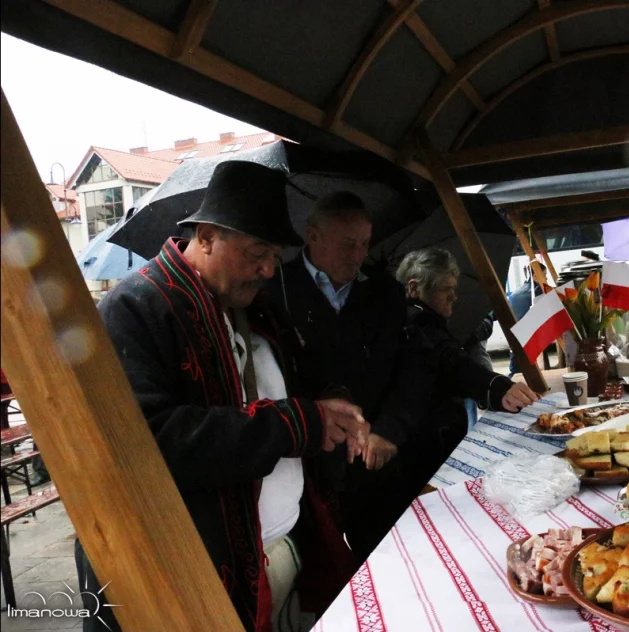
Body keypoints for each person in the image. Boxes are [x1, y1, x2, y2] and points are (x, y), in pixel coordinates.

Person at [75, 162, 367, 632]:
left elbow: (302, 385)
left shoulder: (259, 310)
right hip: (192, 582)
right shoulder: (136, 308)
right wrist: (294, 425)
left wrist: (332, 404)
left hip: (279, 557)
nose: (270, 269)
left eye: (274, 255)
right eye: (257, 253)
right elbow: (148, 440)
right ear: (207, 237)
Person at [274, 191, 425, 562]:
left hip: (376, 458)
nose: (357, 255)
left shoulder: (385, 292)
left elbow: (413, 369)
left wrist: (391, 427)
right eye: (347, 245)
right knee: (319, 575)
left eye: (364, 244)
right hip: (306, 465)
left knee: (393, 563)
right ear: (312, 236)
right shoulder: (275, 290)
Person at [396, 248, 540, 495]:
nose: (453, 296)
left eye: (454, 288)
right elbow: (453, 363)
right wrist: (496, 387)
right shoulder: (417, 324)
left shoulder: (417, 319)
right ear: (414, 288)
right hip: (424, 448)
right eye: (445, 288)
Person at [507, 264, 545, 376]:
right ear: (534, 276)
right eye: (544, 275)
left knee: (515, 372)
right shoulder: (538, 291)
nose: (546, 279)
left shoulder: (516, 292)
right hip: (528, 341)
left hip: (514, 338)